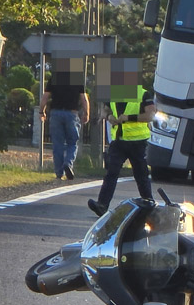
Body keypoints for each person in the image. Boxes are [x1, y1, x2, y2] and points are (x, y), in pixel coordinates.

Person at [88, 88, 156, 217]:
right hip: (119, 141)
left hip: (138, 142)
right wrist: (109, 116)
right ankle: (102, 205)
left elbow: (150, 115)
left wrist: (129, 118)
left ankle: (149, 204)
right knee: (111, 173)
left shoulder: (143, 94)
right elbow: (105, 110)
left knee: (141, 174)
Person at [39, 67, 90, 180]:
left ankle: (59, 173)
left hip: (56, 113)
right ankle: (68, 163)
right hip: (72, 114)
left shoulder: (54, 78)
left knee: (58, 144)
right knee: (72, 142)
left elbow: (45, 97)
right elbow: (84, 99)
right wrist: (86, 113)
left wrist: (41, 111)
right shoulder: (77, 79)